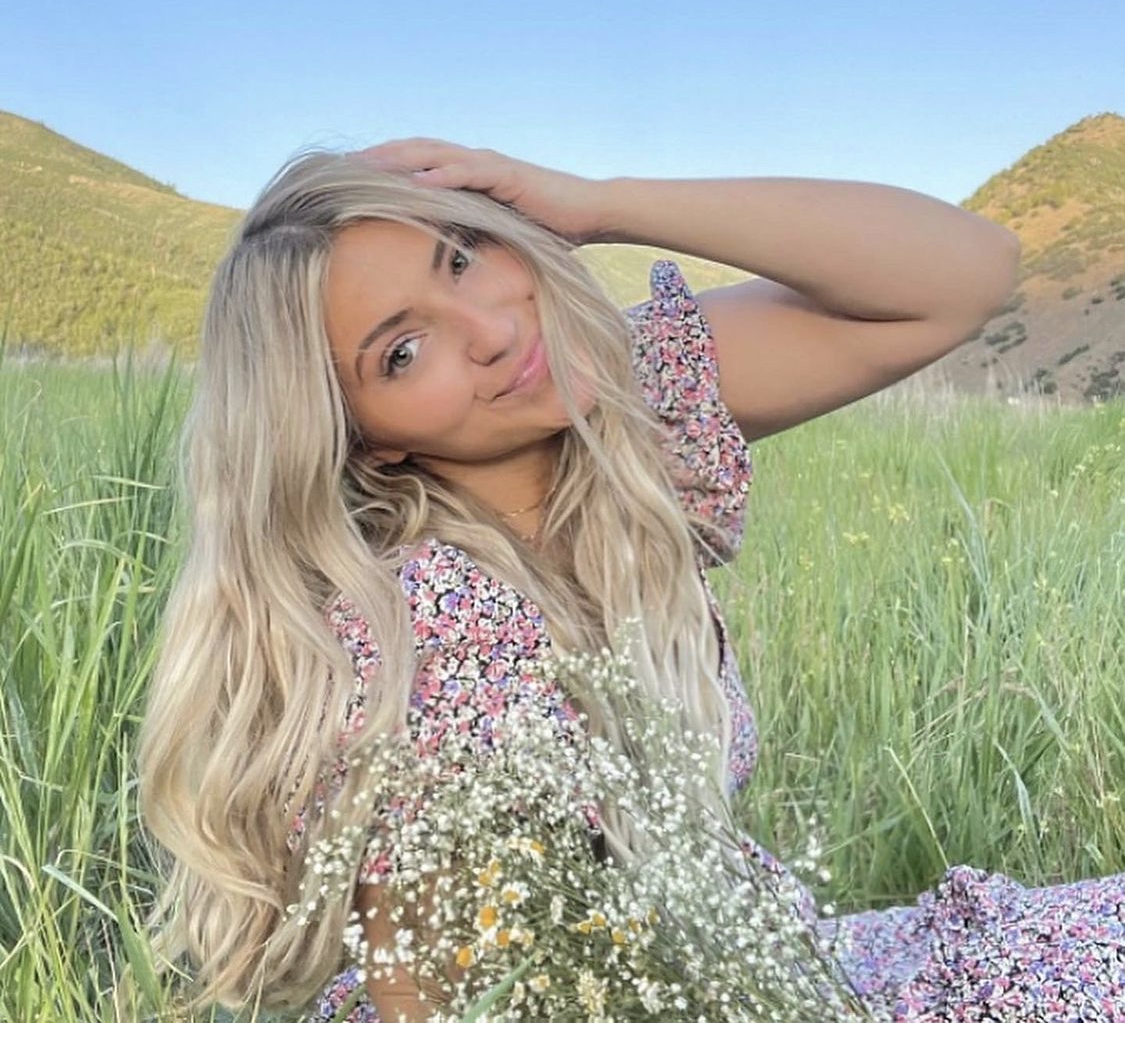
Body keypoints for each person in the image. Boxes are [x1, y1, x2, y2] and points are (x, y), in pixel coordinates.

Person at [139, 138, 1125, 1023]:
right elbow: (427, 993)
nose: (488, 328)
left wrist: (600, 199)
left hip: (762, 958)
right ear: (365, 442)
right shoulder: (419, 625)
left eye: (464, 254)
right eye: (404, 349)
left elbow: (965, 271)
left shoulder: (625, 413)